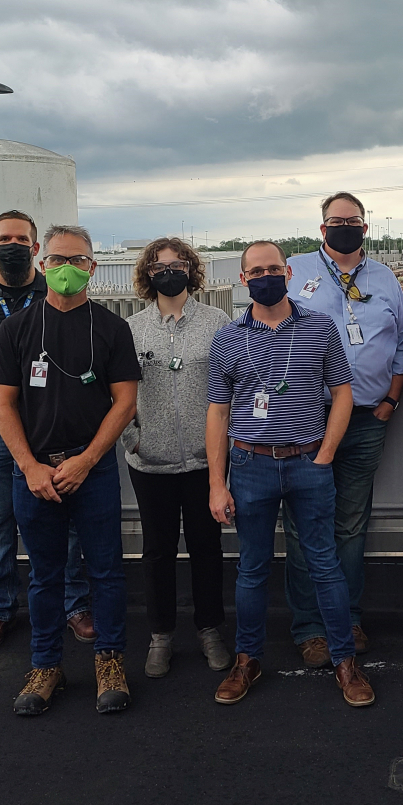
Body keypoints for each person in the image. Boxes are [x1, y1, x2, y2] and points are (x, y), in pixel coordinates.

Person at [206, 240, 375, 707]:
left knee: (324, 563)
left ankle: (344, 661)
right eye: (256, 270)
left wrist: (326, 453)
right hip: (250, 463)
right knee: (252, 570)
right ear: (243, 280)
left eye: (273, 268)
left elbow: (342, 392)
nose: (266, 276)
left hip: (307, 462)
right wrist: (217, 483)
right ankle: (247, 659)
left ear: (288, 272)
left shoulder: (320, 327)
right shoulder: (228, 338)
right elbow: (218, 412)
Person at [0, 225, 141, 716]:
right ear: (41, 262)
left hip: (91, 469)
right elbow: (4, 406)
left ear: (92, 267)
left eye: (77, 260)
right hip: (33, 473)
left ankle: (109, 661)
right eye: (57, 260)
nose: (66, 269)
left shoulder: (112, 328)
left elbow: (124, 401)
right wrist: (29, 466)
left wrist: (88, 459)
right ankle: (45, 665)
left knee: (106, 572)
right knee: (44, 576)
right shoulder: (15, 329)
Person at [0, 210, 95, 654]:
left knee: (62, 524)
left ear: (36, 250)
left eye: (22, 238)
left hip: (51, 434)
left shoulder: (60, 291)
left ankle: (74, 606)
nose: (13, 244)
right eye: (4, 238)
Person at [284, 191, 403, 666]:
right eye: (336, 221)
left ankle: (347, 617)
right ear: (322, 229)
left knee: (351, 525)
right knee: (301, 527)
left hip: (365, 420)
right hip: (306, 421)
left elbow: (402, 342)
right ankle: (310, 627)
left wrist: (392, 399)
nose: (345, 227)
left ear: (365, 227)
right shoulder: (294, 271)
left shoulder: (384, 278)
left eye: (353, 221)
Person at [121, 236, 233, 678]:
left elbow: (230, 388)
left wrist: (221, 454)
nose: (169, 271)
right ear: (148, 274)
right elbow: (120, 393)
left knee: (207, 549)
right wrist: (133, 440)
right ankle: (161, 636)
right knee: (158, 551)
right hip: (151, 462)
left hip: (207, 462)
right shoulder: (132, 329)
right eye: (159, 265)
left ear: (191, 269)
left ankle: (210, 631)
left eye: (178, 263)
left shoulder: (217, 321)